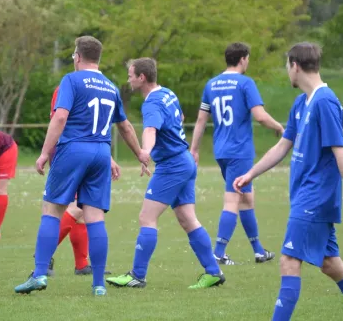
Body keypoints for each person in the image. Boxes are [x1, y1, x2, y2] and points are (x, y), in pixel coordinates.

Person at [233, 42, 343, 320]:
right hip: (306, 197)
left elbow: (341, 152)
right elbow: (282, 146)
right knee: (331, 265)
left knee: (289, 261)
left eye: (287, 66)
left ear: (295, 65)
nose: (287, 71)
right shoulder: (302, 103)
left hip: (314, 198)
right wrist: (251, 173)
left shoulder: (325, 101)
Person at [14, 36, 147, 297]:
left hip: (73, 149)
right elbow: (125, 126)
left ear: (77, 56)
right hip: (101, 152)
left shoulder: (71, 80)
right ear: (98, 58)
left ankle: (40, 274)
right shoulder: (110, 86)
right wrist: (141, 153)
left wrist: (43, 153)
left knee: (52, 210)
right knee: (94, 217)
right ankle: (98, 284)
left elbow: (61, 116)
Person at [106, 57, 225, 290]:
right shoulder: (168, 93)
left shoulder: (151, 103)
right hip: (184, 160)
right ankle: (213, 272)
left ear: (142, 77)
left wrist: (145, 152)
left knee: (146, 218)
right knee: (187, 219)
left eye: (131, 75)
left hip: (172, 165)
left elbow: (150, 129)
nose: (128, 79)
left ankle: (137, 276)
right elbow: (179, 118)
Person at [190, 42, 283, 265]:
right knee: (233, 200)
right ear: (242, 58)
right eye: (248, 58)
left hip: (221, 151)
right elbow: (259, 116)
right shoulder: (245, 83)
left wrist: (194, 149)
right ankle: (218, 253)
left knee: (246, 199)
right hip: (239, 151)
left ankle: (258, 251)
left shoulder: (211, 84)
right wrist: (280, 128)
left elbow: (202, 119)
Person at [46, 85, 115, 277]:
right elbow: (60, 121)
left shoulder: (90, 86)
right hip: (70, 153)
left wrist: (107, 157)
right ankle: (43, 255)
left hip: (85, 153)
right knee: (77, 207)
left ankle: (82, 265)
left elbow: (92, 128)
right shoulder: (68, 87)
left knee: (84, 211)